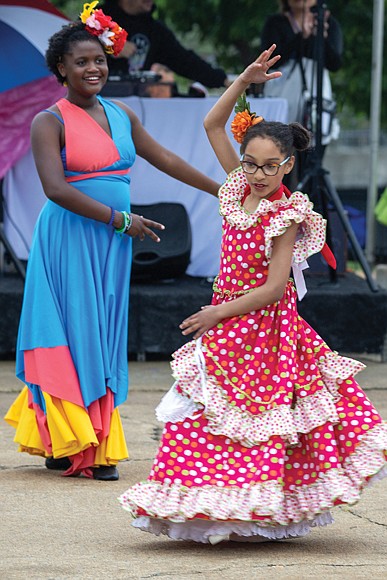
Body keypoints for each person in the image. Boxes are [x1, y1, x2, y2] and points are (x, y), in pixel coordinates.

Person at [118, 45, 387, 542]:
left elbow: (274, 288)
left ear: (287, 167)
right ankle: (211, 505)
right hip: (228, 321)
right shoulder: (236, 188)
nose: (257, 175)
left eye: (269, 167)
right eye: (250, 164)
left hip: (263, 325)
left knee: (261, 420)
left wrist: (217, 311)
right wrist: (242, 80)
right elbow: (212, 125)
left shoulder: (285, 214)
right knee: (205, 414)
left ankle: (261, 507)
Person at [4, 2, 220, 482]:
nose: (93, 68)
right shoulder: (49, 121)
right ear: (61, 68)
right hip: (70, 237)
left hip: (111, 239)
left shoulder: (120, 114)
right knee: (73, 330)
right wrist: (120, 220)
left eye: (99, 59)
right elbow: (55, 189)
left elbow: (164, 156)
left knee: (101, 333)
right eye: (81, 61)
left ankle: (80, 436)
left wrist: (221, 187)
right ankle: (72, 440)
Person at [260, 0, 343, 185]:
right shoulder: (276, 22)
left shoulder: (327, 22)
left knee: (312, 164)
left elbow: (335, 62)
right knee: (278, 162)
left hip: (315, 100)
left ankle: (310, 210)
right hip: (282, 98)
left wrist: (317, 36)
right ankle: (279, 208)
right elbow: (268, 59)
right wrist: (300, 37)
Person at [101, 0, 230, 89]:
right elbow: (81, 47)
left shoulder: (155, 30)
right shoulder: (95, 20)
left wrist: (222, 80)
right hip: (96, 102)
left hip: (135, 104)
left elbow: (184, 61)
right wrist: (105, 44)